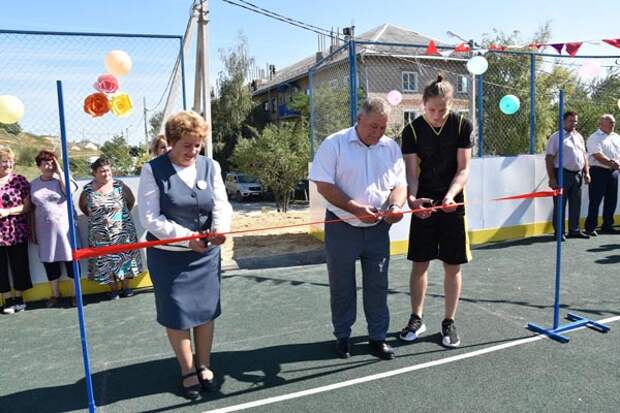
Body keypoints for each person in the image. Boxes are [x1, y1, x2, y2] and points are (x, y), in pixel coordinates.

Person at [138, 111, 232, 399]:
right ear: (171, 142)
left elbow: (221, 204)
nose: (193, 151)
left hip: (205, 255)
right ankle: (187, 369)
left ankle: (204, 365)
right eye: (186, 146)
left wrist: (219, 229)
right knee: (177, 313)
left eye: (197, 145)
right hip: (168, 256)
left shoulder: (210, 165)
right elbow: (150, 218)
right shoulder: (152, 170)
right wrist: (187, 239)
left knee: (205, 312)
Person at [309, 98, 407, 360]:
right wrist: (355, 209)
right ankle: (343, 337)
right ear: (359, 120)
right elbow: (324, 186)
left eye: (382, 128)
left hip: (378, 230)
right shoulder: (334, 144)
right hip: (341, 227)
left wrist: (396, 205)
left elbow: (400, 184)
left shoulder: (390, 148)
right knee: (342, 286)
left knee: (378, 285)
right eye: (372, 126)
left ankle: (378, 337)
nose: (377, 133)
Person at [398, 75, 472, 348]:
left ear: (451, 105)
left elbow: (463, 169)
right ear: (422, 105)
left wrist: (451, 196)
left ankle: (448, 321)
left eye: (443, 110)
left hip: (453, 203)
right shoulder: (412, 131)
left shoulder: (463, 125)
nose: (437, 115)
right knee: (420, 263)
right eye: (431, 110)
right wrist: (413, 200)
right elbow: (411, 174)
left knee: (452, 266)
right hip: (424, 204)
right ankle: (417, 318)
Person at [79, 157, 142, 299]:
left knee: (125, 258)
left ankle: (126, 287)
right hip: (99, 234)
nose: (106, 174)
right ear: (94, 173)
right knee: (105, 260)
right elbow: (83, 207)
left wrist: (118, 218)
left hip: (122, 232)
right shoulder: (88, 190)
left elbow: (130, 202)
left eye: (108, 170)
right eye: (102, 171)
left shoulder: (120, 186)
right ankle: (113, 289)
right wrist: (99, 220)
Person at [30, 150, 80, 307]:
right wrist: (32, 230)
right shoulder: (33, 184)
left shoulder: (62, 180)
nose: (49, 166)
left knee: (71, 262)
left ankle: (76, 294)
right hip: (44, 232)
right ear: (39, 165)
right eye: (45, 162)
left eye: (52, 162)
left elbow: (70, 191)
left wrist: (60, 171)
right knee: (49, 263)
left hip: (65, 231)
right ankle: (55, 294)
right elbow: (30, 208)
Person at [545, 111, 591, 240]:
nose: (574, 123)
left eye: (575, 121)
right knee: (560, 204)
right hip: (562, 174)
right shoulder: (556, 137)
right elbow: (549, 158)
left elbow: (584, 156)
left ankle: (574, 230)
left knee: (576, 204)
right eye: (571, 121)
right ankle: (559, 232)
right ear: (564, 121)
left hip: (577, 174)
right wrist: (552, 178)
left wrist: (586, 172)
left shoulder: (579, 136)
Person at [0, 147, 32, 314]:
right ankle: (7, 300)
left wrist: (7, 211)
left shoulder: (19, 180)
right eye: (4, 160)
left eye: (10, 160)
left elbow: (27, 206)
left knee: (19, 265)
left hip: (15, 231)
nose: (8, 164)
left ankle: (19, 299)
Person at [585, 114, 620, 235]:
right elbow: (597, 155)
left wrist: (617, 165)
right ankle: (590, 227)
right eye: (610, 122)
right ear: (601, 124)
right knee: (595, 200)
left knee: (612, 201)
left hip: (614, 172)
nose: (613, 124)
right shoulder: (594, 137)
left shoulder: (616, 137)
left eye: (613, 122)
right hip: (598, 171)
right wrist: (612, 163)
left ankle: (607, 225)